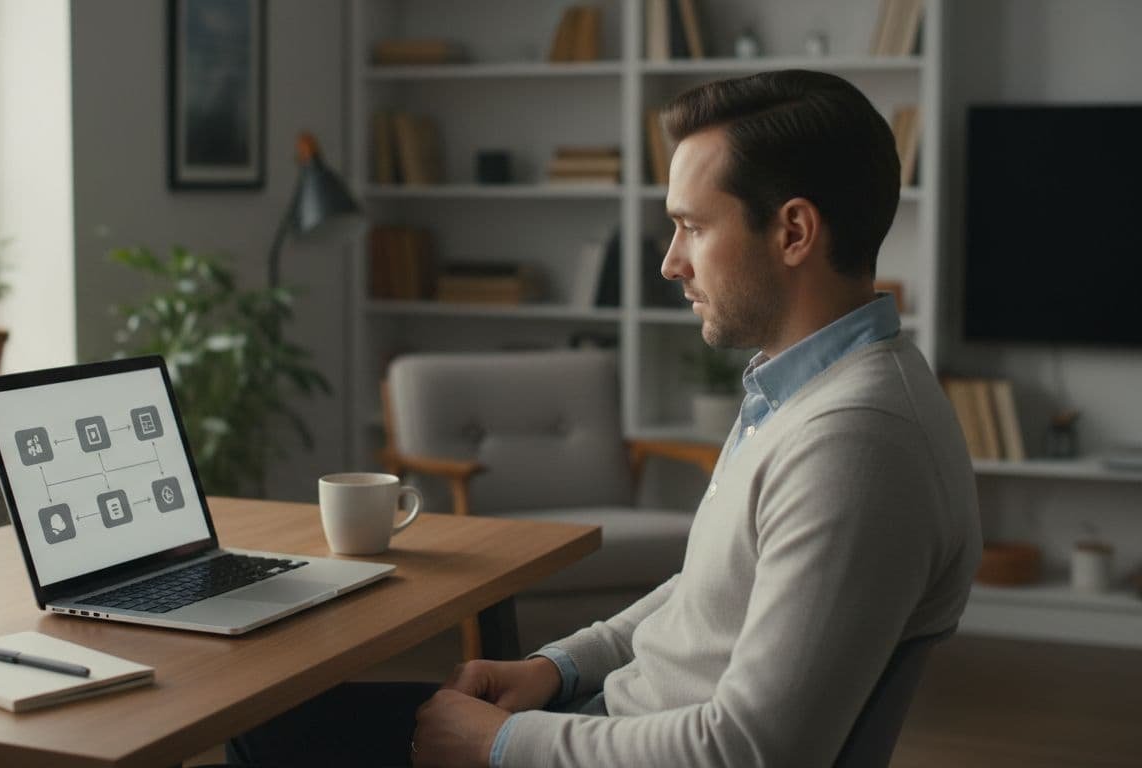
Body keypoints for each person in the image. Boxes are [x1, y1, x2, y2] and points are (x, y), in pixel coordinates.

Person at [229, 69, 982, 768]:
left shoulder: (855, 443)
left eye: (692, 226)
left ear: (793, 232)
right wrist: (554, 668)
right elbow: (702, 598)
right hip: (601, 720)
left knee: (271, 738)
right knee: (270, 726)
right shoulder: (800, 390)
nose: (670, 262)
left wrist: (505, 744)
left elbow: (754, 751)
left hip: (614, 745)